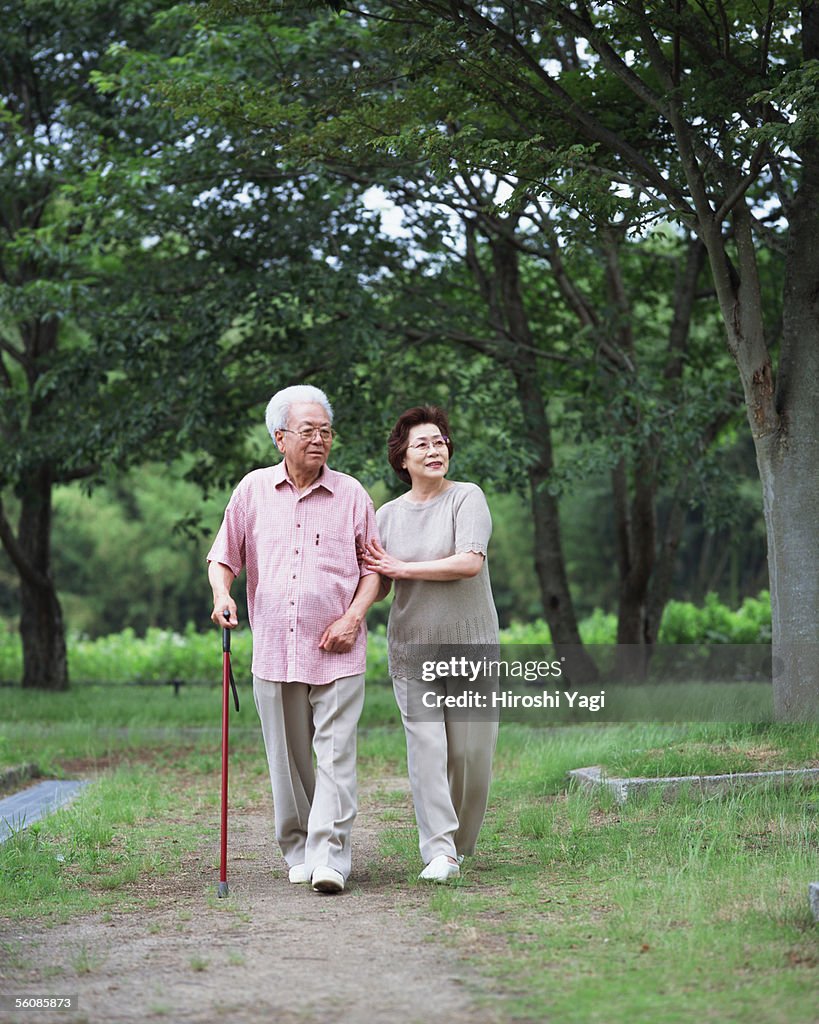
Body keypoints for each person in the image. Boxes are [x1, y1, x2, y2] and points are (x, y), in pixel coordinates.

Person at [207, 384, 381, 894]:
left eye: (326, 432)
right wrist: (223, 594)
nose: (320, 440)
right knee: (287, 761)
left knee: (335, 755)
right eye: (308, 431)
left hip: (339, 649)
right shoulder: (253, 491)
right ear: (279, 437)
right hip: (275, 652)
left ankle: (331, 855)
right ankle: (299, 845)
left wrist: (353, 616)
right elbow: (224, 557)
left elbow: (374, 569)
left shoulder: (352, 494)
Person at [364, 405, 499, 883]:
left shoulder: (467, 498)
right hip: (413, 650)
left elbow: (469, 563)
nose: (434, 449)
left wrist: (402, 569)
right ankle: (439, 851)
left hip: (471, 648)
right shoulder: (385, 517)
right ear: (402, 458)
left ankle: (459, 847)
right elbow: (377, 584)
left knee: (470, 758)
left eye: (440, 441)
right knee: (427, 752)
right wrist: (350, 606)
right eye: (422, 443)